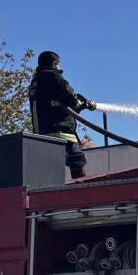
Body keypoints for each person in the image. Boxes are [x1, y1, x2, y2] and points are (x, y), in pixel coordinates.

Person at [29, 51, 97, 179]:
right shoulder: (53, 76)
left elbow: (60, 105)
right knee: (76, 164)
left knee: (57, 169)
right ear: (55, 64)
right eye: (59, 65)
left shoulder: (36, 82)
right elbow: (70, 99)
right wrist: (83, 103)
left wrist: (79, 105)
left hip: (45, 136)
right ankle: (80, 193)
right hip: (60, 135)